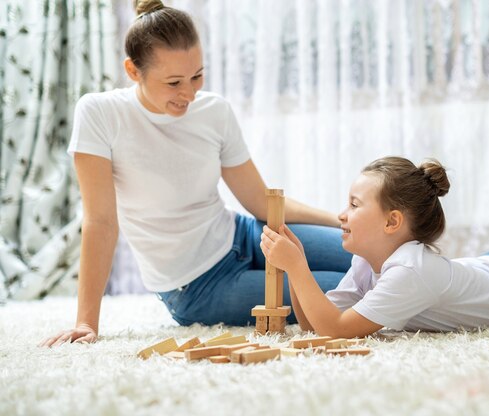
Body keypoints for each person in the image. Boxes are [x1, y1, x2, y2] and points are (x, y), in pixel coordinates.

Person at [39, 0, 351, 347]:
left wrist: (342, 222)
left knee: (366, 256)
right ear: (132, 71)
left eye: (197, 75)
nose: (188, 93)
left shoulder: (213, 110)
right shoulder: (100, 114)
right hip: (197, 286)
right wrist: (86, 322)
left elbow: (261, 203)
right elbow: (100, 222)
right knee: (353, 290)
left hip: (245, 236)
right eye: (173, 82)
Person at [260, 156, 489, 338]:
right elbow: (315, 325)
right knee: (485, 265)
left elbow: (338, 328)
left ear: (392, 222)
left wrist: (297, 268)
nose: (341, 215)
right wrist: (298, 265)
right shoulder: (367, 261)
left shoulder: (410, 272)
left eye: (354, 205)